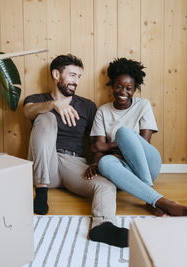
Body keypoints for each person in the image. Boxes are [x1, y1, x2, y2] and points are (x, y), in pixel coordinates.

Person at [23, 54, 128, 247]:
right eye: (72, 75)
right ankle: (42, 191)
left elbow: (97, 141)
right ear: (56, 74)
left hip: (74, 164)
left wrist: (100, 164)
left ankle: (102, 226)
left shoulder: (87, 106)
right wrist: (53, 105)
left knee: (105, 186)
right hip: (45, 163)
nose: (76, 81)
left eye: (78, 77)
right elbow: (28, 112)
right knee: (46, 118)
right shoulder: (37, 100)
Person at [86, 58, 187, 217]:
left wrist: (109, 146)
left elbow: (143, 142)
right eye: (119, 87)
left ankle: (150, 194)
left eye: (129, 88)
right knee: (105, 162)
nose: (123, 92)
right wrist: (95, 162)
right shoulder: (103, 111)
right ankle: (157, 201)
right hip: (123, 169)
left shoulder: (143, 105)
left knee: (124, 133)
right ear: (112, 87)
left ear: (135, 89)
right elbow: (97, 148)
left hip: (147, 165)